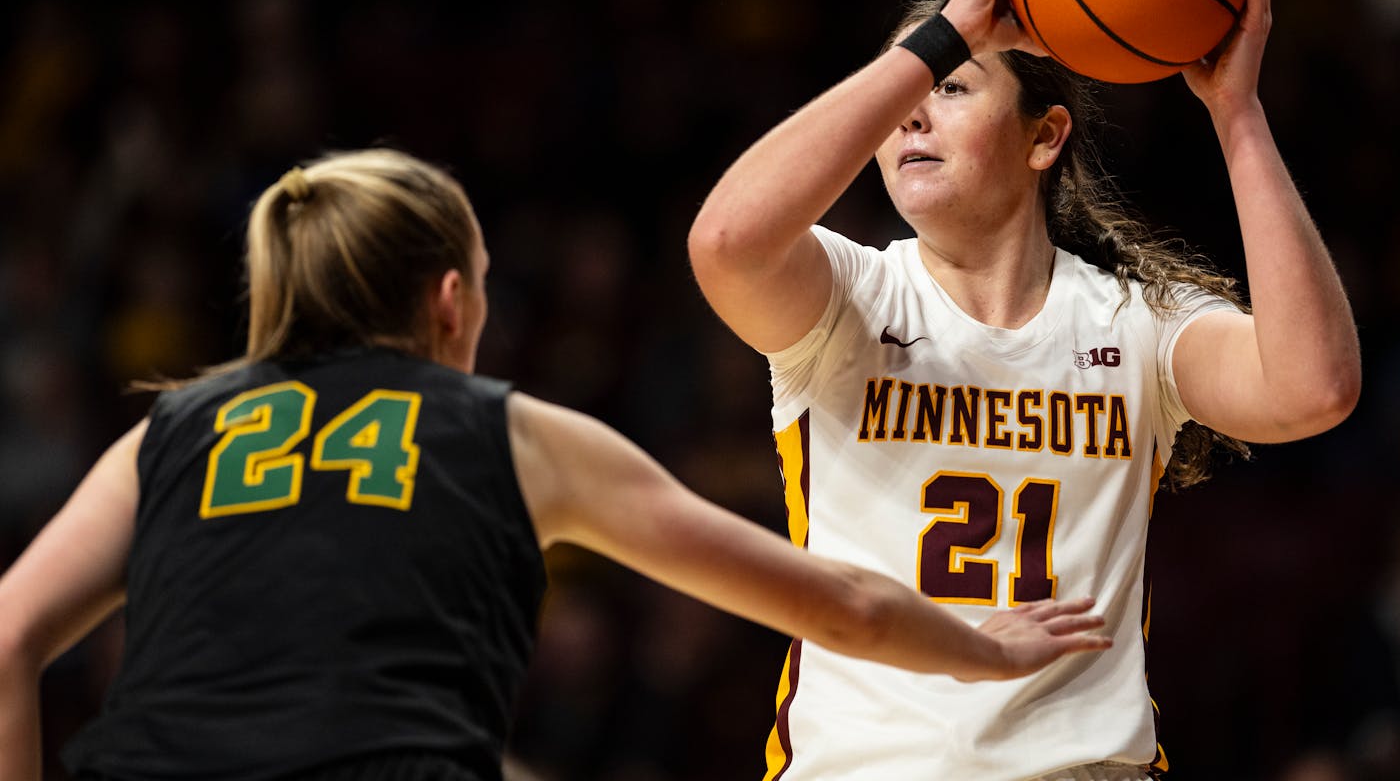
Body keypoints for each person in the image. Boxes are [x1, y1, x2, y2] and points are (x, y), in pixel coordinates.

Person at [0, 146, 1113, 781]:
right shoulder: (507, 429)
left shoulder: (166, 434)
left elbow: (8, 641)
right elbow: (842, 606)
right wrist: (981, 648)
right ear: (451, 300)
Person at [686, 0, 1361, 781]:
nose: (910, 115)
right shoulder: (850, 297)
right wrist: (947, 34)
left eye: (953, 88)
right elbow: (726, 241)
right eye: (899, 97)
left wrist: (1236, 114)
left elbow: (1314, 388)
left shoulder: (1139, 322)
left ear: (1044, 137)